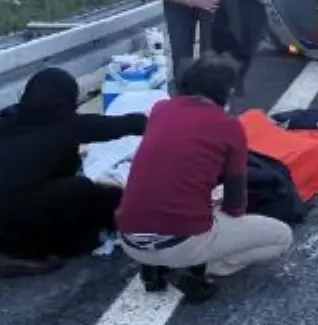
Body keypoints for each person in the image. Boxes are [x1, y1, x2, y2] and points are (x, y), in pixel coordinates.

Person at [0, 68, 147, 276]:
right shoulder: (62, 125)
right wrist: (157, 121)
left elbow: (17, 166)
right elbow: (114, 125)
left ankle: (0, 239)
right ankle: (16, 252)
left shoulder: (10, 121)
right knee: (80, 191)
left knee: (29, 194)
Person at [116, 54, 293, 302]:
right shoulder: (229, 126)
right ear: (227, 91)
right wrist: (218, 206)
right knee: (281, 238)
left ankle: (162, 264)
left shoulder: (160, 110)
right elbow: (235, 206)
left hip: (129, 239)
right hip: (182, 241)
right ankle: (196, 266)